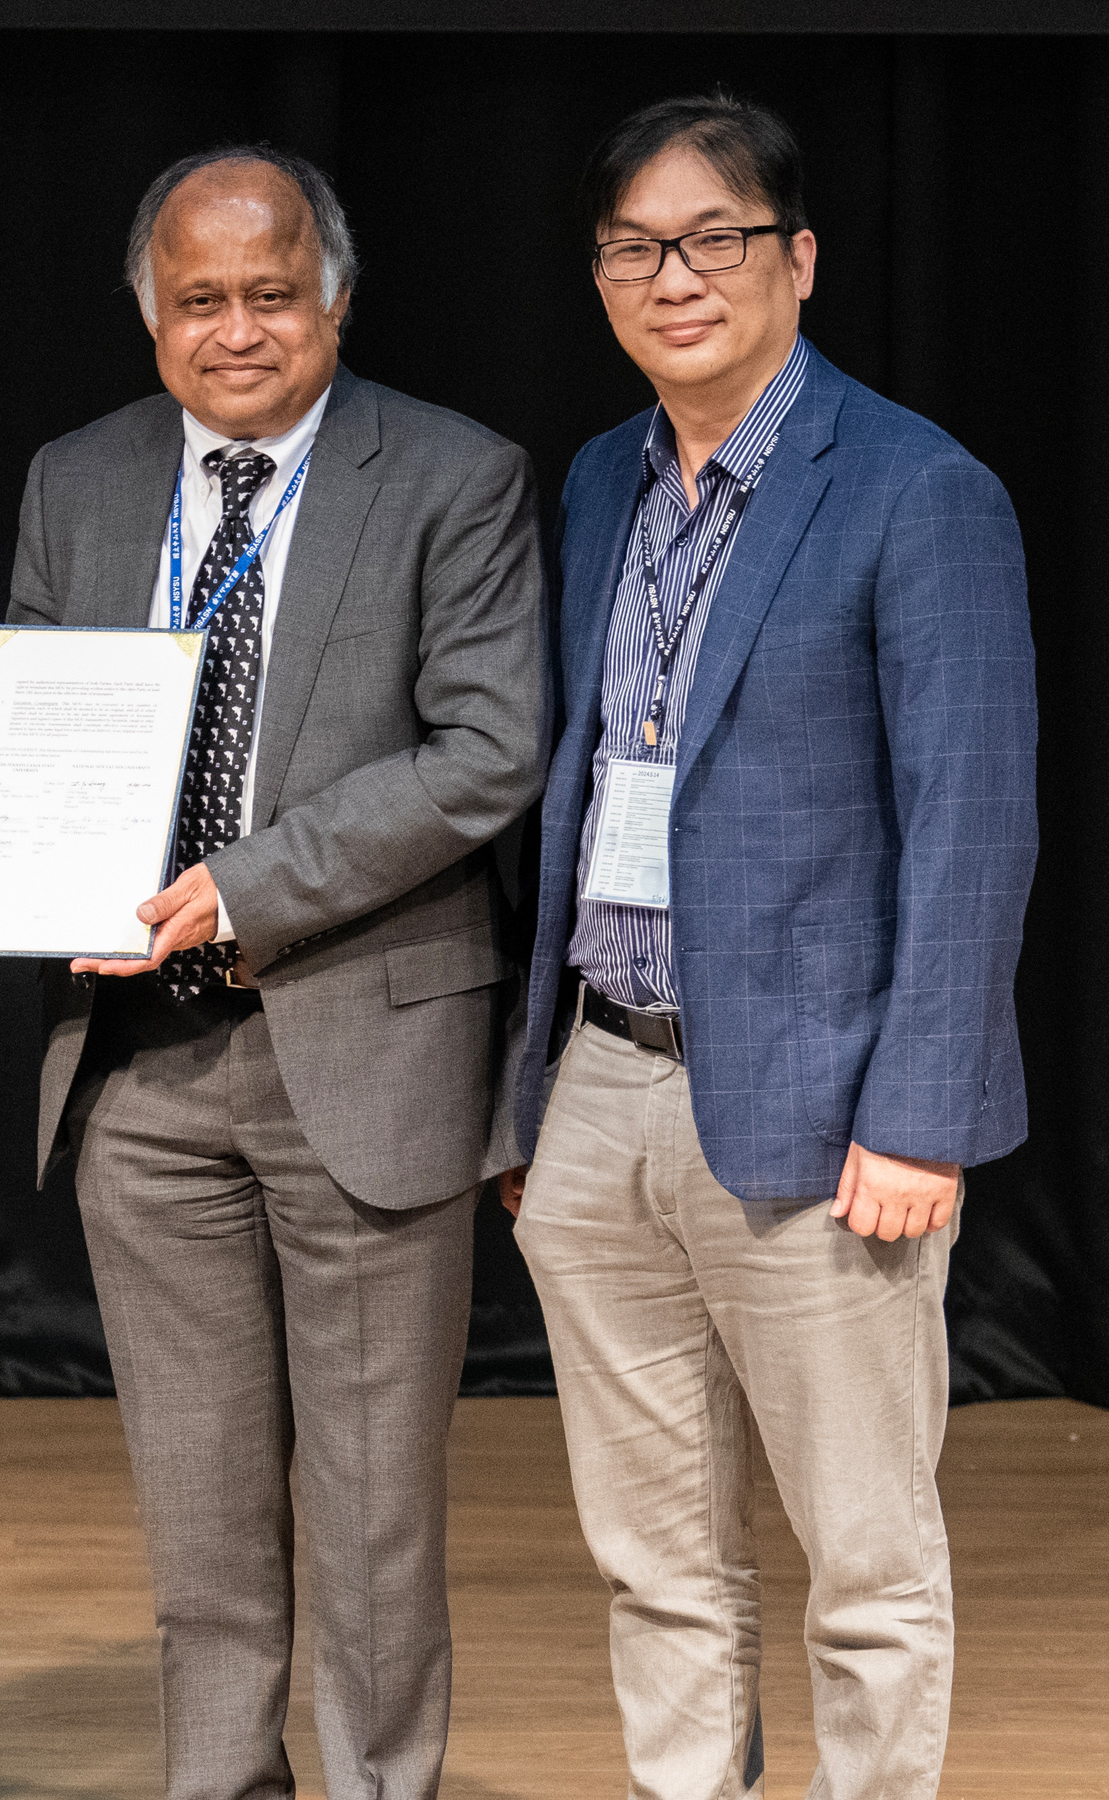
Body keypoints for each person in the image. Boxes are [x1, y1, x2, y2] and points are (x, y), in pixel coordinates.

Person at [501, 91, 1036, 1800]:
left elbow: (974, 823)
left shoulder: (915, 489)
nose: (676, 276)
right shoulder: (599, 478)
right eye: (635, 247)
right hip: (604, 1083)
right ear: (600, 276)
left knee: (867, 1572)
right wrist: (540, 1105)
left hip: (824, 1113)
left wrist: (922, 1113)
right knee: (655, 1558)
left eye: (715, 238)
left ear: (798, 260)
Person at [11, 146, 545, 1800]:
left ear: (335, 297)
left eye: (272, 292)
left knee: (377, 1518)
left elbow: (487, 750)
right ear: (150, 314)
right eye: (198, 299)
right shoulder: (78, 481)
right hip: (139, 1072)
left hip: (361, 1055)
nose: (236, 330)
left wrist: (236, 892)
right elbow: (27, 739)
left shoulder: (455, 476)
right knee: (201, 1514)